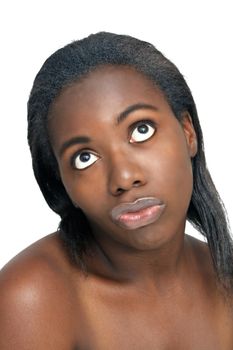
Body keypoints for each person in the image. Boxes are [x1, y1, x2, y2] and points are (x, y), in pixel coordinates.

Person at [0, 32, 233, 349]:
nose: (124, 177)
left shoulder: (226, 279)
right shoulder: (30, 298)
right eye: (84, 158)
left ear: (187, 132)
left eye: (141, 129)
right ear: (63, 184)